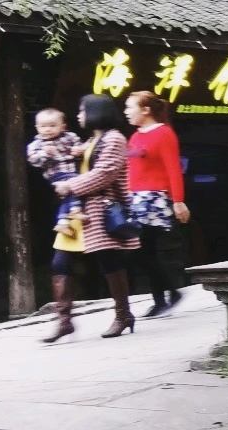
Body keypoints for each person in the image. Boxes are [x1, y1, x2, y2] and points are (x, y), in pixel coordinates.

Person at [46, 95, 139, 342]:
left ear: (96, 112)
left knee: (108, 261)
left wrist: (70, 185)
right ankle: (64, 321)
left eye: (82, 111)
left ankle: (123, 315)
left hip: (98, 209)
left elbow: (105, 173)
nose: (79, 115)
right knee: (60, 262)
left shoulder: (114, 138)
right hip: (76, 211)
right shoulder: (93, 139)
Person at [123, 92, 190, 320]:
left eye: (130, 107)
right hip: (136, 198)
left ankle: (166, 296)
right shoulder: (135, 136)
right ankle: (164, 298)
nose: (126, 112)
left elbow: (173, 169)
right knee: (144, 251)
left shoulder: (164, 133)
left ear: (146, 110)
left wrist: (178, 200)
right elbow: (131, 169)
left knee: (143, 250)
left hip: (153, 198)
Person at [28, 108, 84, 234]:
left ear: (63, 126)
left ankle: (62, 222)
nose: (47, 129)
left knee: (68, 193)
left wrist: (78, 150)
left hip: (72, 169)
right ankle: (75, 209)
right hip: (56, 173)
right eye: (43, 126)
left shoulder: (70, 137)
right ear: (37, 127)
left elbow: (80, 147)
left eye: (52, 126)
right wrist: (45, 154)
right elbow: (33, 161)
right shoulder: (36, 144)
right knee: (75, 185)